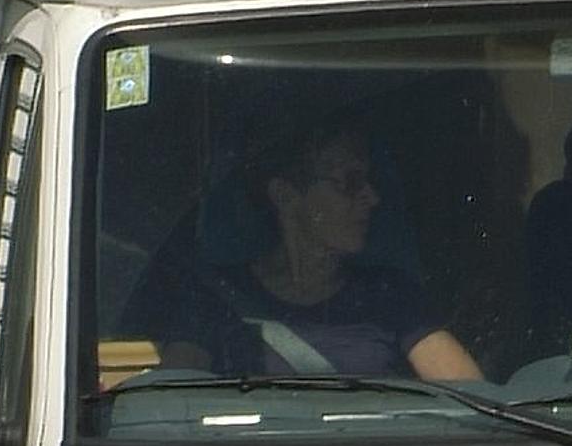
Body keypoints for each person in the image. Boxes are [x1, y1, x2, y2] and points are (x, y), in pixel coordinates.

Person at [120, 110, 484, 383]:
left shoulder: (390, 296)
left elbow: (472, 399)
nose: (372, 198)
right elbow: (172, 409)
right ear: (286, 196)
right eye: (350, 182)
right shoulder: (216, 297)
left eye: (369, 181)